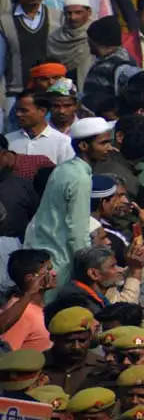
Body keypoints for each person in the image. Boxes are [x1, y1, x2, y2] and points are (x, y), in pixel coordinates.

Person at [24, 118, 114, 289]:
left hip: (41, 253)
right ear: (84, 146)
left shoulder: (64, 168)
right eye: (103, 143)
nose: (109, 148)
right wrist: (88, 269)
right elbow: (78, 232)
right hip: (60, 261)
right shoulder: (80, 178)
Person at [7, 90, 75, 165]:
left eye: (24, 111)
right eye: (17, 110)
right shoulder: (8, 140)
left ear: (42, 111)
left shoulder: (63, 142)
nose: (18, 114)